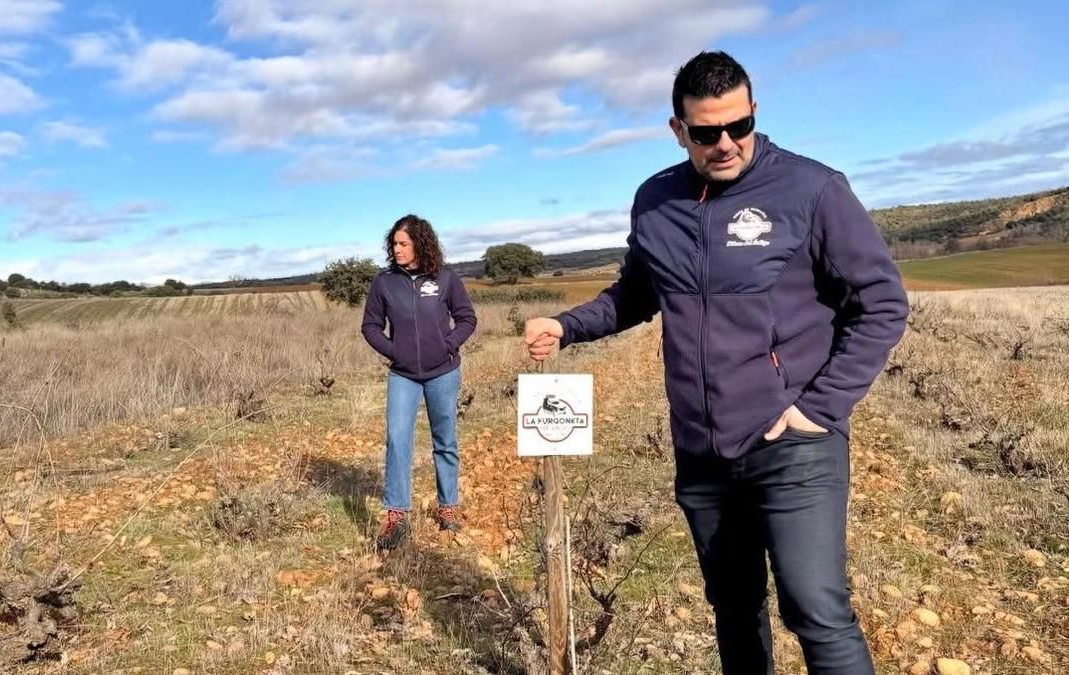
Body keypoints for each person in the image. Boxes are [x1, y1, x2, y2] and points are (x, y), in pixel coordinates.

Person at [524, 51, 907, 674]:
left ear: (754, 112)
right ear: (678, 130)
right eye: (705, 133)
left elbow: (882, 303)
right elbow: (637, 294)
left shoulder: (812, 189)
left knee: (816, 609)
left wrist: (819, 408)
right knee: (732, 604)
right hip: (701, 447)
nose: (726, 144)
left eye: (739, 126)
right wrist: (566, 326)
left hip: (792, 439)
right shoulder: (655, 201)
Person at [361, 214, 477, 551]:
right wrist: (393, 350)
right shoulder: (384, 283)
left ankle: (447, 505)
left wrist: (448, 343)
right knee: (398, 439)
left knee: (445, 439)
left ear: (419, 244)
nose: (396, 250)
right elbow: (370, 326)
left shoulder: (445, 278)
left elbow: (467, 318)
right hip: (403, 375)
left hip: (443, 371)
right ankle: (396, 515)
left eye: (403, 244)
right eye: (393, 244)